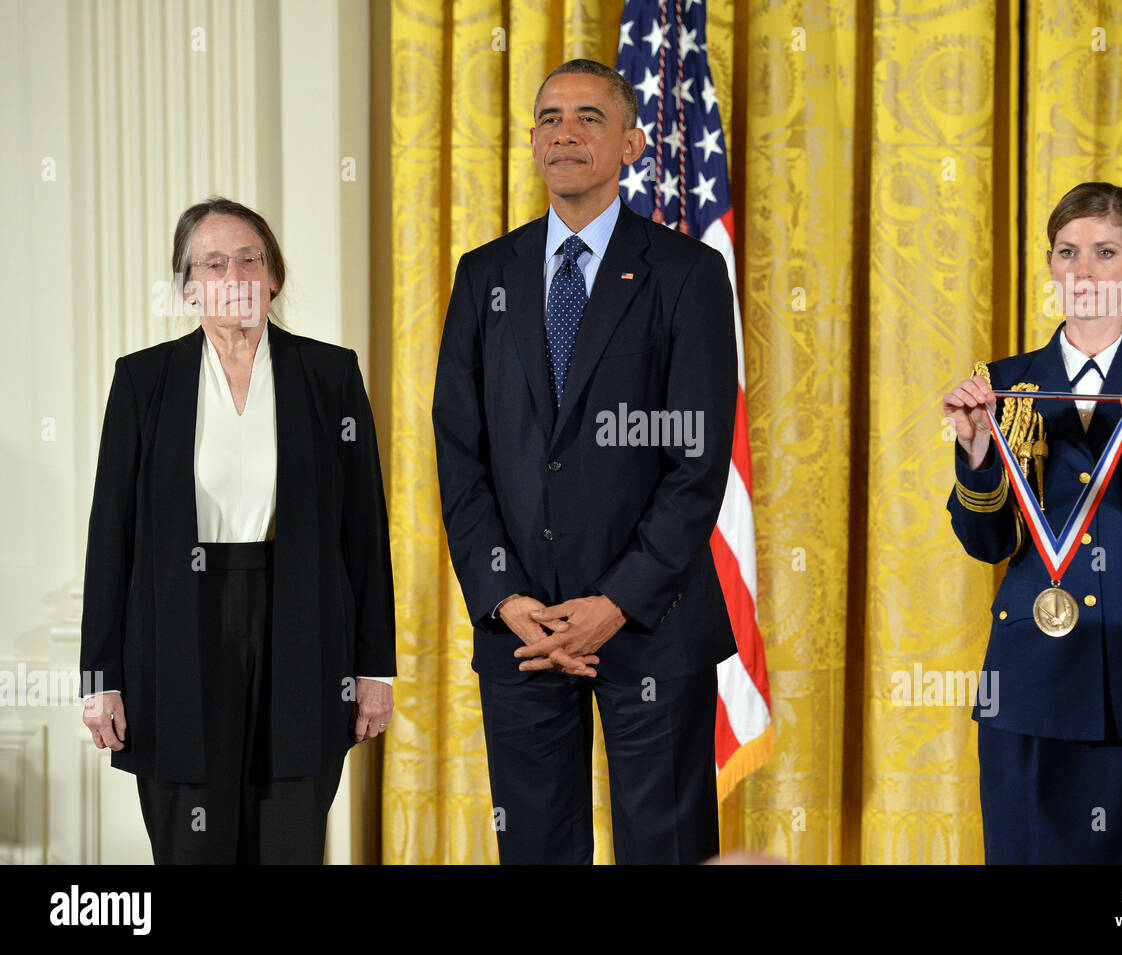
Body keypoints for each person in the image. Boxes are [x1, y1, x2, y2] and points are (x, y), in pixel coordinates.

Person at [432, 59, 737, 864]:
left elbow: (696, 463)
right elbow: (460, 456)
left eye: (590, 117)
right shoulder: (483, 276)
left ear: (632, 142)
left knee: (665, 850)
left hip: (652, 626)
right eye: (550, 117)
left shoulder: (688, 274)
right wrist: (502, 597)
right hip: (523, 632)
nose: (565, 131)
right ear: (532, 142)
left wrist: (616, 601)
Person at [79, 198, 397, 864]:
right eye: (214, 262)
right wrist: (99, 675)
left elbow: (364, 529)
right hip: (175, 631)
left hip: (303, 627)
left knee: (288, 839)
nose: (235, 274)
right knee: (192, 843)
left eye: (250, 258)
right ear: (188, 285)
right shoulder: (143, 381)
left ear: (274, 275)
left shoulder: (330, 375)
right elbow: (112, 536)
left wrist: (375, 666)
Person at [941, 181, 1122, 864]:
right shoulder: (1004, 383)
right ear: (1049, 265)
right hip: (1032, 680)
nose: (1085, 272)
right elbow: (987, 541)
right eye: (1068, 252)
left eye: (1106, 252)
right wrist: (977, 450)